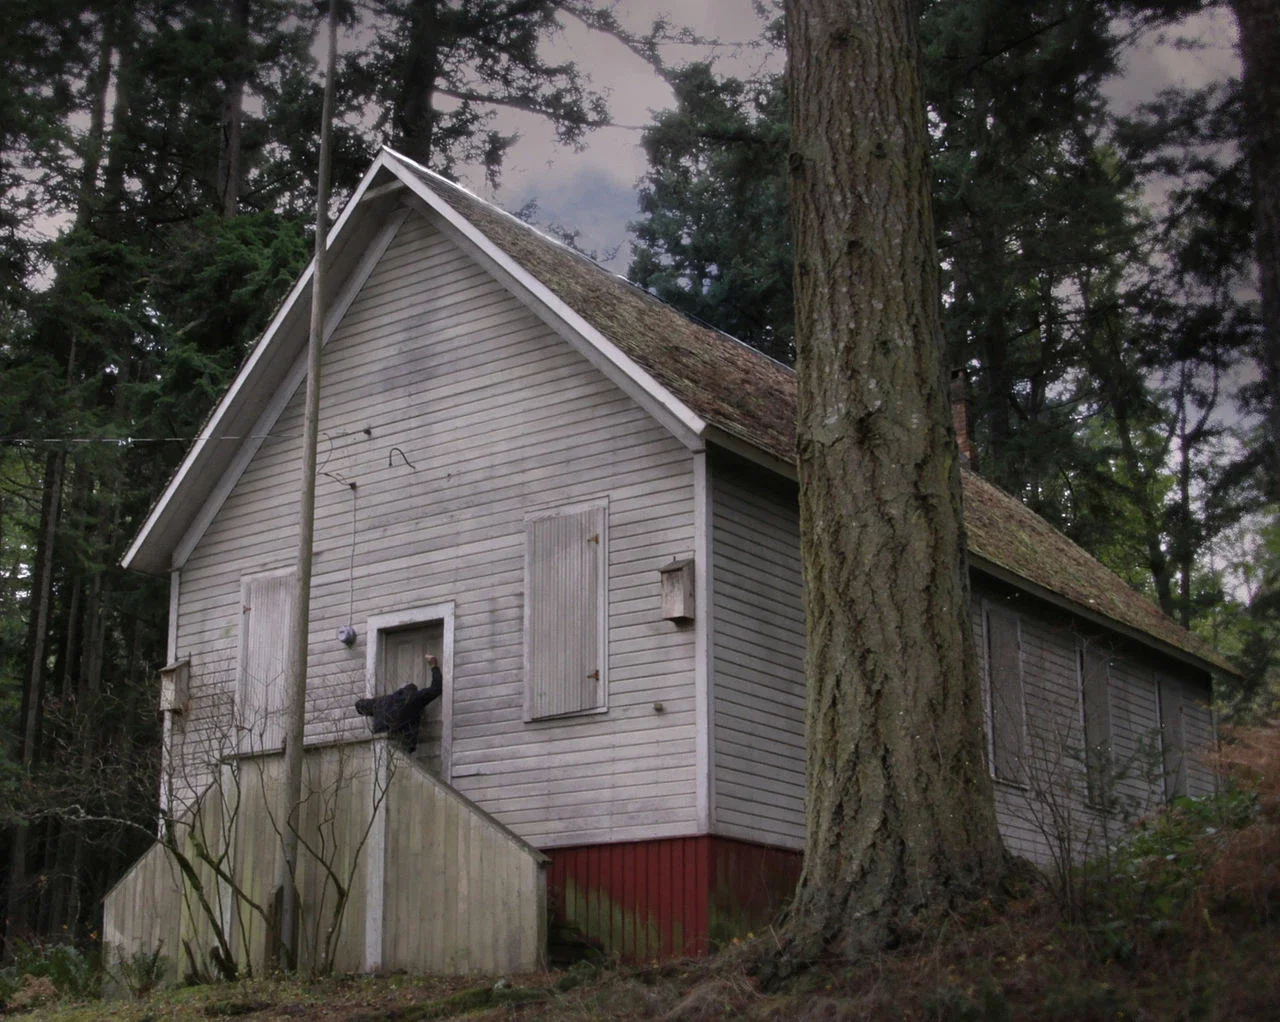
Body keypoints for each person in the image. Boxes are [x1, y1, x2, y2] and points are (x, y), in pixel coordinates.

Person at [354, 653, 442, 753]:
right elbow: (437, 688)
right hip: (400, 744)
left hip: (379, 745)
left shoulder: (382, 701)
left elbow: (359, 705)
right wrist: (434, 666)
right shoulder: (414, 698)